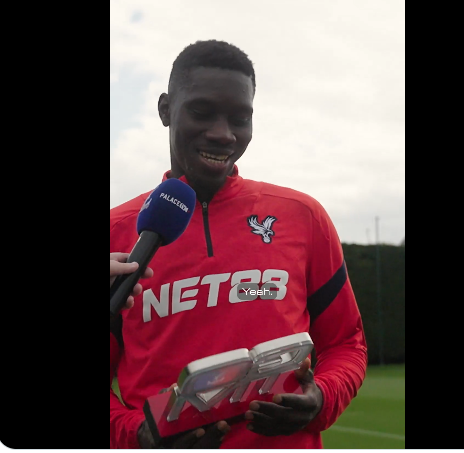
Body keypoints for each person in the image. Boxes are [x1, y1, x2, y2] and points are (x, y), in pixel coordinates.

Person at [110, 39, 368, 449]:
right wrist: (138, 435)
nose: (222, 134)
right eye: (202, 112)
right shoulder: (117, 231)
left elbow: (346, 343)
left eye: (240, 118)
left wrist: (321, 398)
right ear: (165, 110)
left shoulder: (303, 217)